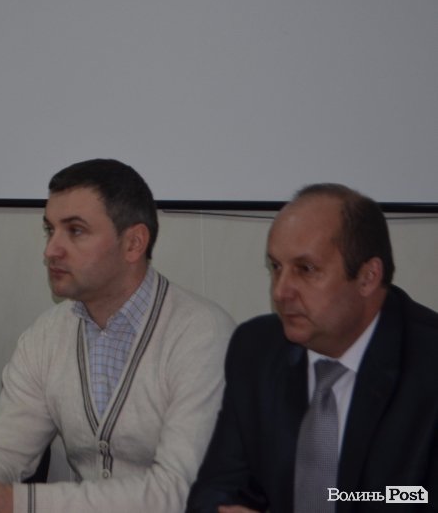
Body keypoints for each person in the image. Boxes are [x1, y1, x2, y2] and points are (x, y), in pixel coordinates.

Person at [0, 158, 235, 513]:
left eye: (76, 231)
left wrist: (17, 501)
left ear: (133, 243)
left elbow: (178, 490)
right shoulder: (46, 335)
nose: (51, 250)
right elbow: (3, 447)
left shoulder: (203, 335)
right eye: (50, 230)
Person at [187, 184, 438, 513]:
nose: (281, 292)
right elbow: (217, 489)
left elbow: (419, 497)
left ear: (367, 277)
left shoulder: (428, 363)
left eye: (305, 269)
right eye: (276, 267)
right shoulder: (257, 350)